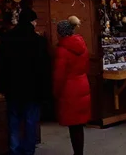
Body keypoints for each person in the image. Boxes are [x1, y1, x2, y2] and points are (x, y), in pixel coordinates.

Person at [0, 8, 51, 155]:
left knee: (14, 121)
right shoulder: (39, 42)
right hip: (33, 89)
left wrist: (1, 86)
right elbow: (44, 68)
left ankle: (14, 150)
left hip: (12, 88)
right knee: (30, 122)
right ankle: (28, 151)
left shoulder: (7, 39)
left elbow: (0, 64)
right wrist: (45, 90)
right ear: (32, 22)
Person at [53, 16, 91, 155]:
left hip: (70, 90)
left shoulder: (62, 50)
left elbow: (59, 75)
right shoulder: (82, 45)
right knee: (78, 125)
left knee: (74, 125)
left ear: (60, 33)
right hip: (82, 84)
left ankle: (78, 152)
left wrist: (55, 93)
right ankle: (79, 151)